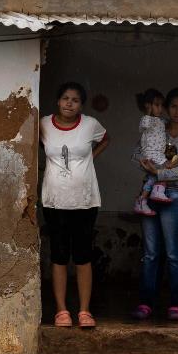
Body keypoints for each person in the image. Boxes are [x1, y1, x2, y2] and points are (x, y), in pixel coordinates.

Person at [40, 81, 109, 328]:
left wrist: (91, 158)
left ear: (81, 104)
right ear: (58, 101)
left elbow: (106, 139)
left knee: (82, 256)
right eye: (65, 98)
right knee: (58, 256)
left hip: (85, 200)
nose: (70, 103)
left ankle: (84, 311)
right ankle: (61, 311)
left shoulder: (90, 125)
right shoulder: (44, 124)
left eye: (76, 100)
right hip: (54, 200)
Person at [131, 87, 178, 322]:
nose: (177, 111)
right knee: (151, 254)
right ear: (166, 107)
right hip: (150, 193)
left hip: (175, 196)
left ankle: (176, 304)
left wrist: (160, 172)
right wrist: (146, 165)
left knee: (173, 254)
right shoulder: (155, 126)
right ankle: (145, 302)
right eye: (173, 106)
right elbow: (136, 153)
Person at [132, 88, 176, 216]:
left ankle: (142, 200)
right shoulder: (146, 120)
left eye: (162, 105)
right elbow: (144, 125)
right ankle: (158, 190)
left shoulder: (161, 121)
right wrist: (148, 112)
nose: (160, 108)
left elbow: (168, 137)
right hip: (151, 154)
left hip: (159, 154)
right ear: (148, 105)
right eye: (157, 105)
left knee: (152, 177)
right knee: (165, 170)